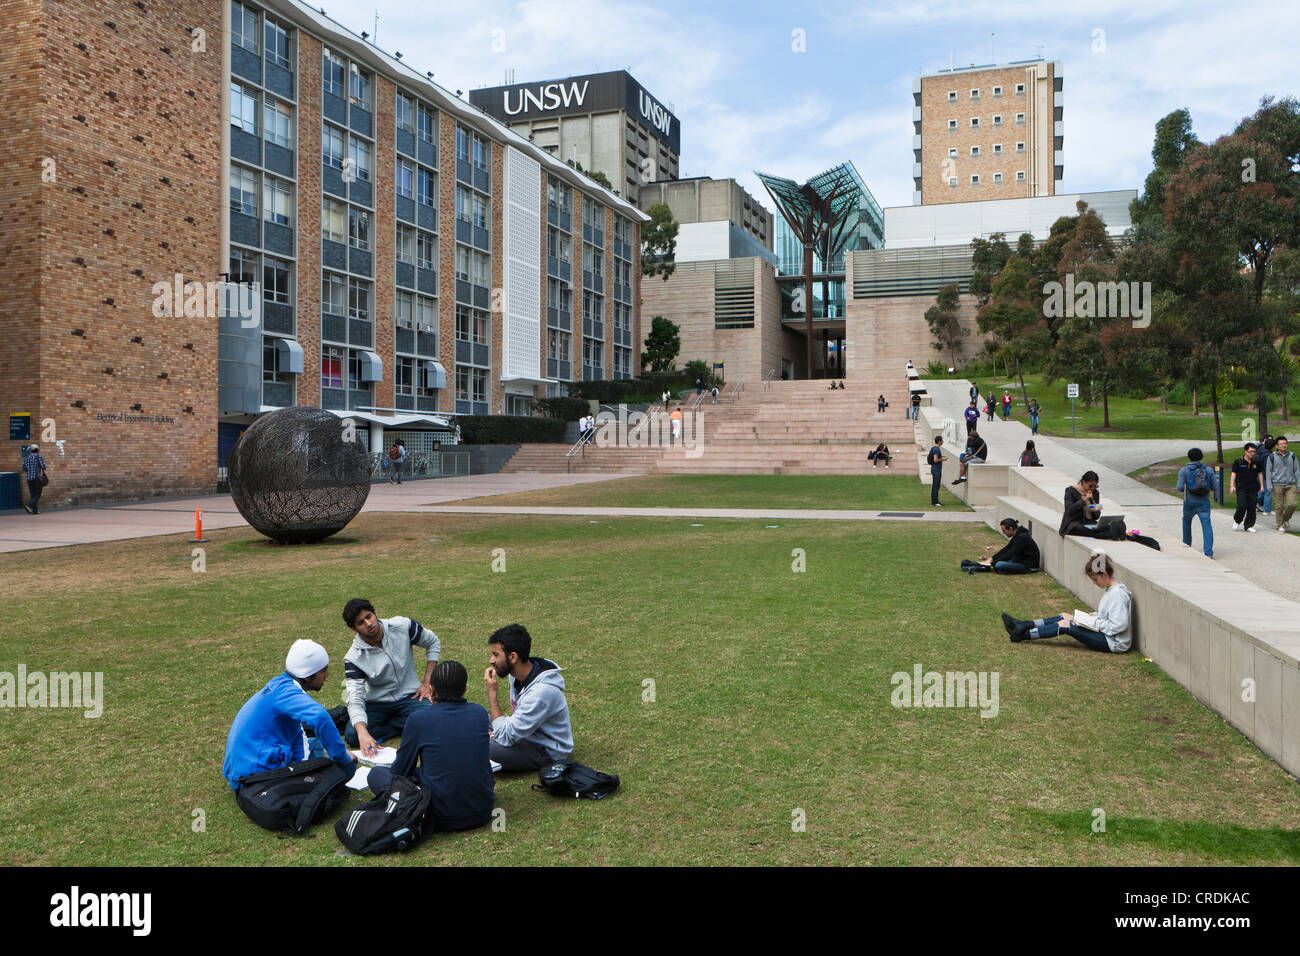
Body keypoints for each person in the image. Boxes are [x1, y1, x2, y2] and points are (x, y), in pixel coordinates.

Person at [365, 660, 495, 833]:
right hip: (483, 810)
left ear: (431, 690)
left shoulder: (419, 719)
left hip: (438, 816)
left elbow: (400, 771)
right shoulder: (479, 713)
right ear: (464, 690)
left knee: (376, 774)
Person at [223, 639, 357, 790]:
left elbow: (296, 732)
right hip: (253, 777)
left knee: (316, 744)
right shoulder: (287, 693)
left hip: (241, 768)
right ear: (307, 676)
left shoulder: (279, 685)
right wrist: (342, 756)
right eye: (323, 670)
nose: (327, 675)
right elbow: (320, 717)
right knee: (348, 767)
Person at [341, 598, 439, 757]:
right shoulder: (353, 657)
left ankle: (402, 723)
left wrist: (428, 681)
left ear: (375, 613)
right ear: (354, 628)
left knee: (435, 718)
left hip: (410, 696)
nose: (368, 623)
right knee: (353, 736)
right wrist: (362, 731)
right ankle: (407, 724)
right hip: (377, 703)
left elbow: (433, 642)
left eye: (369, 616)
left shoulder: (402, 626)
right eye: (360, 622)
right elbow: (355, 698)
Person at [483, 624, 573, 772]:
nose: (491, 660)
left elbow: (506, 736)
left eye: (496, 654)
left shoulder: (542, 692)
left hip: (545, 750)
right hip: (525, 735)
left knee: (479, 746)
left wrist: (492, 693)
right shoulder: (518, 675)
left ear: (513, 657)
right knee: (475, 716)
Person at [1002, 552, 1133, 652]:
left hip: (1113, 642)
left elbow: (1118, 625)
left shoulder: (1118, 594)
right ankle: (1025, 625)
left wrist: (1091, 622)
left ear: (1104, 574)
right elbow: (1107, 616)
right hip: (1104, 633)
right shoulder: (1111, 590)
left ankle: (1024, 635)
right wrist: (1090, 617)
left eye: (1095, 579)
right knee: (1064, 616)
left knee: (1066, 625)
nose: (1094, 583)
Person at [1176, 447, 1220, 557]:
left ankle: (1186, 547)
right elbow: (1215, 487)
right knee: (1206, 526)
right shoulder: (1208, 470)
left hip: (1189, 501)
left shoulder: (1184, 470)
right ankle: (1208, 552)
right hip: (1204, 501)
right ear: (1201, 457)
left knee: (1186, 522)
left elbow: (1180, 487)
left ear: (1189, 457)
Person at [961, 517, 1040, 574]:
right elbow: (1007, 548)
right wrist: (992, 558)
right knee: (1000, 564)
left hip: (1029, 566)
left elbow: (1010, 554)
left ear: (1011, 529)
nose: (1003, 533)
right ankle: (986, 566)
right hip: (1020, 560)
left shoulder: (1022, 537)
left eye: (1004, 530)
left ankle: (988, 567)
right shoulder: (1018, 535)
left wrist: (993, 563)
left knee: (999, 565)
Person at [1263, 435, 1298, 533]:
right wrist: (1269, 485)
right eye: (1281, 444)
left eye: (1285, 443)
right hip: (1277, 484)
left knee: (1293, 504)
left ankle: (1285, 519)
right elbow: (1268, 471)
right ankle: (1280, 525)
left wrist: (1299, 484)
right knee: (1279, 506)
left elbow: (1297, 471)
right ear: (1277, 446)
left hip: (1291, 484)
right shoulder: (1271, 457)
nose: (1284, 445)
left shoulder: (1292, 456)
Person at [1059, 471, 1108, 538]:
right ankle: (1108, 534)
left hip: (1089, 522)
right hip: (1073, 524)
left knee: (1103, 527)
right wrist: (1083, 500)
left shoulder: (1095, 493)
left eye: (1095, 486)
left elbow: (1096, 516)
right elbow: (1069, 510)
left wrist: (1093, 501)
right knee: (1091, 531)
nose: (1092, 488)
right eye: (1090, 486)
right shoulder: (1071, 491)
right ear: (1083, 482)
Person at [1230, 442, 1263, 533]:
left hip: (1253, 488)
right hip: (1241, 488)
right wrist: (1232, 485)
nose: (1252, 453)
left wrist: (1262, 486)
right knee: (1242, 505)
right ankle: (1237, 520)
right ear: (1245, 451)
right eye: (1250, 451)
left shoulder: (1256, 462)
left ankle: (1249, 525)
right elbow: (1233, 474)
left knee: (1252, 507)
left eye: (1254, 451)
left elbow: (1260, 474)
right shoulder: (1238, 462)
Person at [21, 443, 47, 514]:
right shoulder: (39, 457)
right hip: (36, 479)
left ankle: (34, 510)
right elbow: (44, 467)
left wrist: (30, 469)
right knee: (38, 494)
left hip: (29, 478)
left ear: (31, 450)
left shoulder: (27, 458)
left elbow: (24, 468)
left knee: (33, 494)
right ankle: (28, 505)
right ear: (37, 450)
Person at [927, 436, 948, 507]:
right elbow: (935, 460)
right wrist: (943, 459)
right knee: (936, 486)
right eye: (942, 440)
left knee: (936, 486)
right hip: (936, 470)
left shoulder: (935, 448)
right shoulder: (936, 449)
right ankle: (935, 502)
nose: (943, 442)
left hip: (935, 469)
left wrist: (941, 458)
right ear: (939, 441)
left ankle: (935, 501)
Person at [1258, 435, 1276, 514]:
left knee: (1262, 490)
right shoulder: (1269, 455)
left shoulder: (1261, 451)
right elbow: (1268, 467)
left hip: (1260, 473)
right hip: (1266, 475)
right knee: (1268, 492)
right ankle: (1267, 510)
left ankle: (1256, 503)